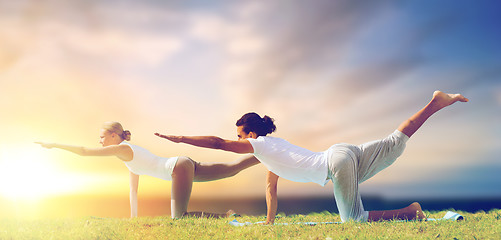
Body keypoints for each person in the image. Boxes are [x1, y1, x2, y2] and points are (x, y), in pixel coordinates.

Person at [155, 90, 469, 224]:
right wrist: (268, 222)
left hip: (336, 164)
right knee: (394, 142)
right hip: (341, 153)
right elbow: (270, 189)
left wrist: (179, 138)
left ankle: (411, 212)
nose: (237, 140)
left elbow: (217, 143)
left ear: (250, 133)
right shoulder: (275, 148)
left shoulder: (260, 145)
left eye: (239, 135)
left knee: (354, 220)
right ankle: (435, 103)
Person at [36, 121, 259, 218]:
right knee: (231, 169)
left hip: (177, 168)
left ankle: (228, 215)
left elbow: (85, 151)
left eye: (102, 137)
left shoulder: (122, 149)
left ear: (114, 136)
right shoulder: (128, 157)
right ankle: (265, 155)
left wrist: (55, 144)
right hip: (182, 164)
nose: (99, 140)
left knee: (178, 218)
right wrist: (134, 218)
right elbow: (133, 192)